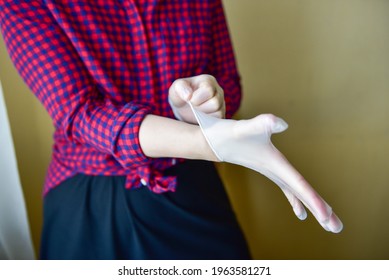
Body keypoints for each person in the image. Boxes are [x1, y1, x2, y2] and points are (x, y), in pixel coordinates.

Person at [0, 0, 342, 260]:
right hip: (95, 194)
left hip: (190, 179)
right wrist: (205, 142)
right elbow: (79, 113)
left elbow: (229, 85)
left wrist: (196, 107)